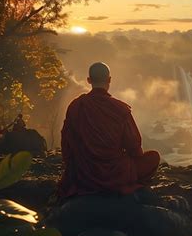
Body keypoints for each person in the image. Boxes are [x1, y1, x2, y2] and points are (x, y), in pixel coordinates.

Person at [58, 62, 160, 201]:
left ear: (89, 80)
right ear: (109, 80)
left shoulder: (76, 106)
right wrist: (132, 164)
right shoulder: (119, 109)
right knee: (153, 157)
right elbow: (134, 146)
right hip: (116, 173)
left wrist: (72, 169)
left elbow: (66, 142)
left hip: (84, 173)